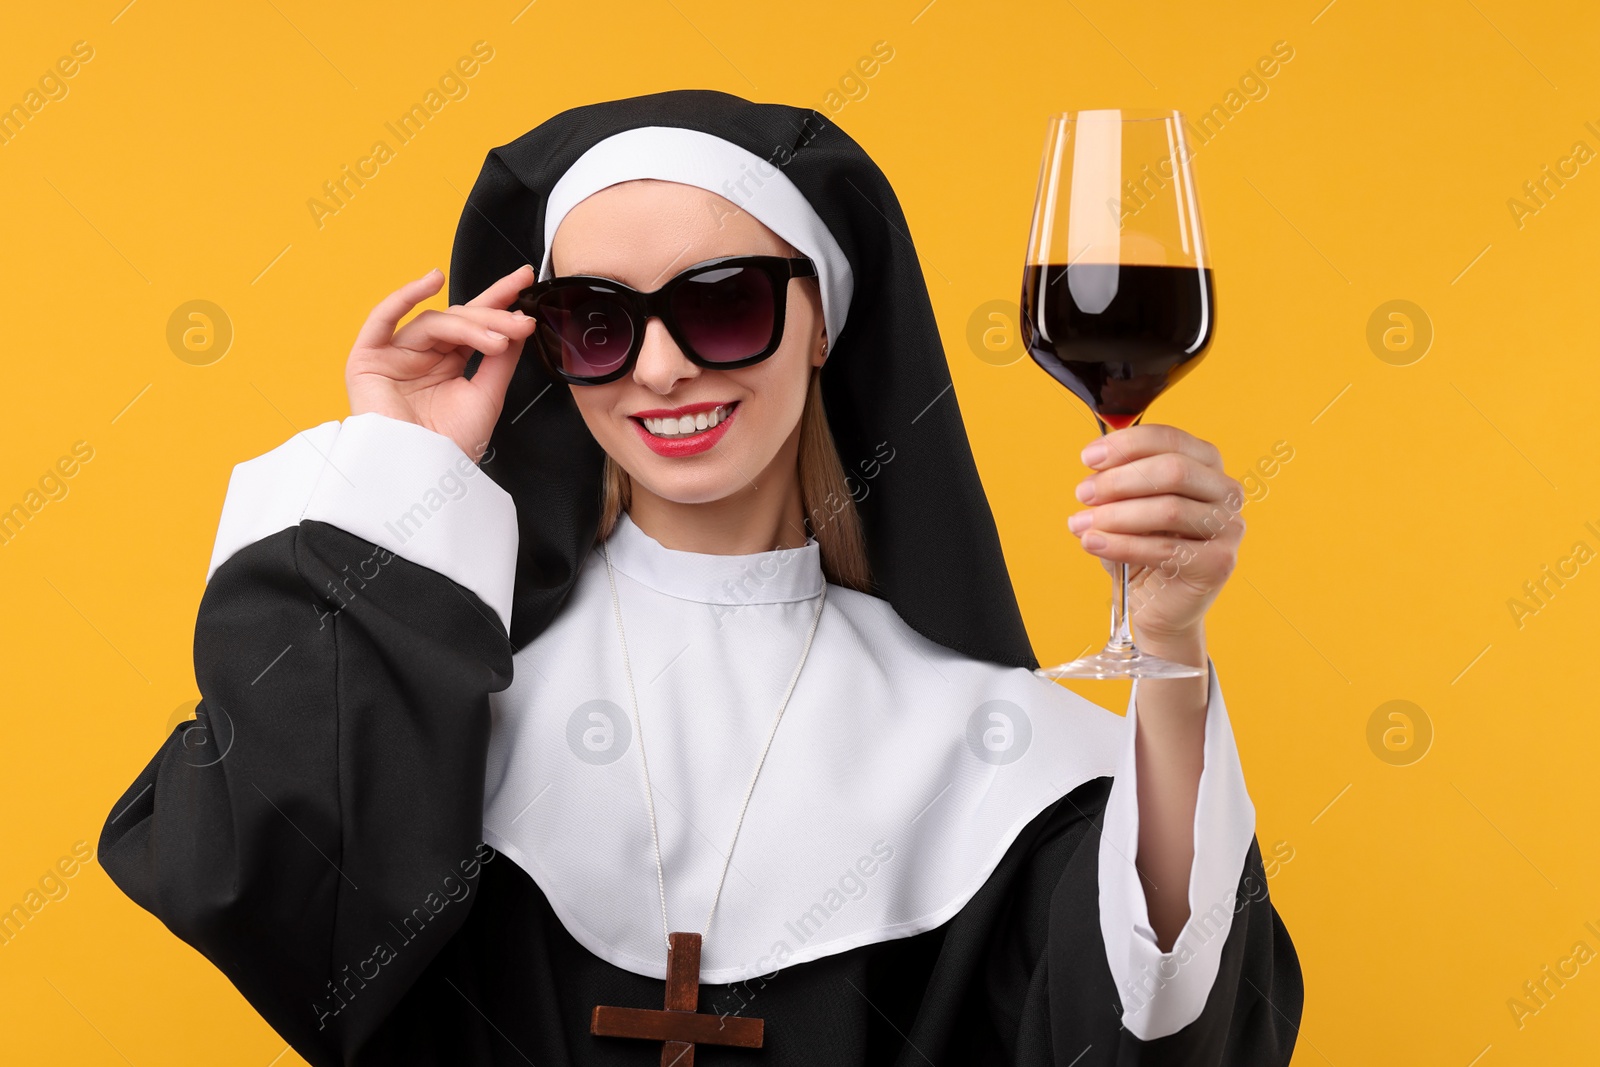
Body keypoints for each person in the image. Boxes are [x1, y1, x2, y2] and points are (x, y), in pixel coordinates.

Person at [99, 89, 1302, 1066]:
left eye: (721, 304)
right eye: (594, 319)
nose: (661, 368)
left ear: (823, 319)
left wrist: (1172, 648)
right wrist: (401, 467)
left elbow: (1161, 1026)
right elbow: (260, 889)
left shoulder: (988, 746)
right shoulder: (440, 698)